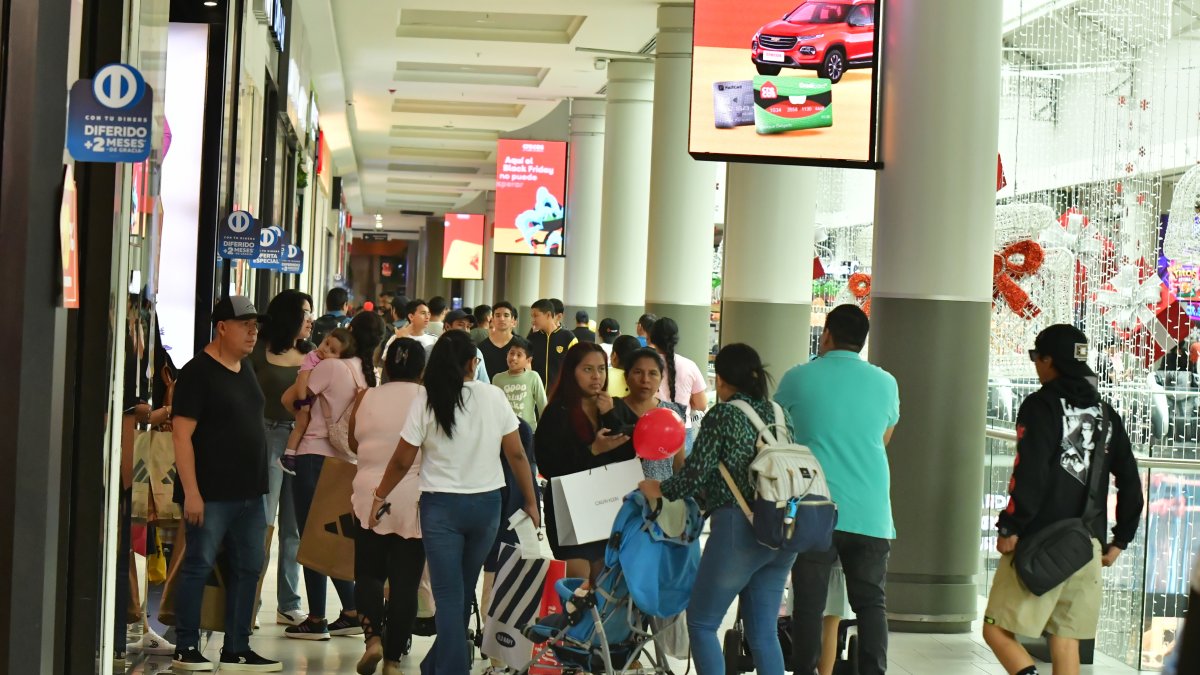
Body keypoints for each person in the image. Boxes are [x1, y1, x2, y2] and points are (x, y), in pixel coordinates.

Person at [370, 330, 540, 675]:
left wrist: (379, 495)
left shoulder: (427, 400)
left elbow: (403, 461)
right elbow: (518, 455)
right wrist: (533, 503)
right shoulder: (493, 396)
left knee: (448, 595)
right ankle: (438, 664)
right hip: (486, 508)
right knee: (462, 589)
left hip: (442, 509)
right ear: (472, 364)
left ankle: (452, 668)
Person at [982, 324, 1143, 675]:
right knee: (1065, 641)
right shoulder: (1107, 414)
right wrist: (1119, 540)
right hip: (1087, 546)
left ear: (1049, 360)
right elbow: (1130, 481)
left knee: (995, 629)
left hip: (1039, 543)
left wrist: (1011, 524)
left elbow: (1031, 472)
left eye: (1036, 358)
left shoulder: (1041, 406)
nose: (1035, 366)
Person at [639, 343, 794, 675]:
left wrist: (660, 489)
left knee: (702, 623)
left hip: (739, 530)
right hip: (781, 529)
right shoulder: (780, 414)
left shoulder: (724, 414)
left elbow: (696, 474)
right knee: (764, 632)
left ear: (722, 380)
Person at [775, 304, 898, 675]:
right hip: (871, 510)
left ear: (825, 334)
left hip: (815, 508)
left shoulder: (798, 378)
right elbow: (883, 438)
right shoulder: (886, 382)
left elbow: (781, 435)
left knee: (809, 605)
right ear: (862, 341)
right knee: (871, 604)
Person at [170, 296, 281, 671]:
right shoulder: (197, 372)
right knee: (199, 565)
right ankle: (185, 646)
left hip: (250, 491)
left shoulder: (245, 368)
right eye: (245, 324)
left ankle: (237, 645)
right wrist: (193, 492)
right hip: (211, 493)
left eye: (256, 325)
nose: (253, 332)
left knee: (250, 565)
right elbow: (181, 436)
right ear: (222, 327)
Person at [282, 312, 385, 641]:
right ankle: (352, 610)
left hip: (313, 456)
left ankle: (315, 618)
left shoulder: (329, 367)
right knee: (332, 535)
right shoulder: (365, 373)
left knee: (313, 537)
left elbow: (291, 400)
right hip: (346, 462)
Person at [349, 338, 427, 675]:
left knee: (368, 573)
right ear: (422, 369)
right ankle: (393, 661)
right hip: (412, 495)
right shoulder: (428, 399)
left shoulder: (366, 396)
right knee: (405, 582)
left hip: (368, 494)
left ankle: (373, 641)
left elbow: (353, 440)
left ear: (387, 366)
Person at [535, 342, 631, 579]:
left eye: (601, 368)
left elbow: (627, 454)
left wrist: (609, 415)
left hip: (606, 506)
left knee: (603, 582)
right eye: (587, 369)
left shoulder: (613, 406)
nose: (596, 376)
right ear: (571, 372)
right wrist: (592, 450)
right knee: (578, 585)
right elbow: (548, 466)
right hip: (569, 507)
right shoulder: (557, 411)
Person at [249, 289, 312, 628]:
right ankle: (251, 599)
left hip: (300, 440)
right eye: (304, 312)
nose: (310, 319)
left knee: (294, 527)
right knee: (263, 523)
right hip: (265, 436)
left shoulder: (312, 354)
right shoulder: (259, 350)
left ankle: (289, 602)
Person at [601, 348, 685, 480]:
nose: (645, 379)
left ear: (661, 378)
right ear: (626, 377)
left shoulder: (672, 413)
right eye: (638, 372)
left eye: (652, 373)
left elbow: (678, 464)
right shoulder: (610, 409)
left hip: (660, 493)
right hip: (619, 493)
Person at [281, 328, 357, 469]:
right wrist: (303, 403)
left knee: (301, 425)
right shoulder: (314, 356)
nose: (325, 349)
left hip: (309, 404)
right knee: (301, 424)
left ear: (341, 357)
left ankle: (289, 455)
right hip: (304, 398)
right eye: (326, 343)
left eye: (332, 351)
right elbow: (302, 378)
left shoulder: (332, 365)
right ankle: (288, 455)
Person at [649, 317, 708, 453]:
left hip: (651, 430)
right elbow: (701, 405)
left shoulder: (644, 365)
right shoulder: (689, 365)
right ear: (675, 339)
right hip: (681, 430)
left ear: (651, 338)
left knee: (652, 474)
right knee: (681, 473)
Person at [492, 335, 548, 431]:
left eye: (519, 355)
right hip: (505, 431)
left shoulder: (533, 377)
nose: (513, 358)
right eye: (511, 353)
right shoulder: (497, 379)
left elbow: (542, 405)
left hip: (529, 431)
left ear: (528, 360)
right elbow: (493, 407)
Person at [529, 298, 578, 390]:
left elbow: (576, 367)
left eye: (536, 316)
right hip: (536, 394)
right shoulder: (532, 339)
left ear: (548, 315)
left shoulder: (568, 338)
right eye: (532, 316)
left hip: (560, 394)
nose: (533, 320)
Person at [479, 301, 518, 380]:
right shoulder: (481, 347)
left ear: (513, 320)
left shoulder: (521, 345)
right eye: (498, 315)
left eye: (506, 315)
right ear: (492, 319)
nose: (502, 319)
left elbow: (527, 374)